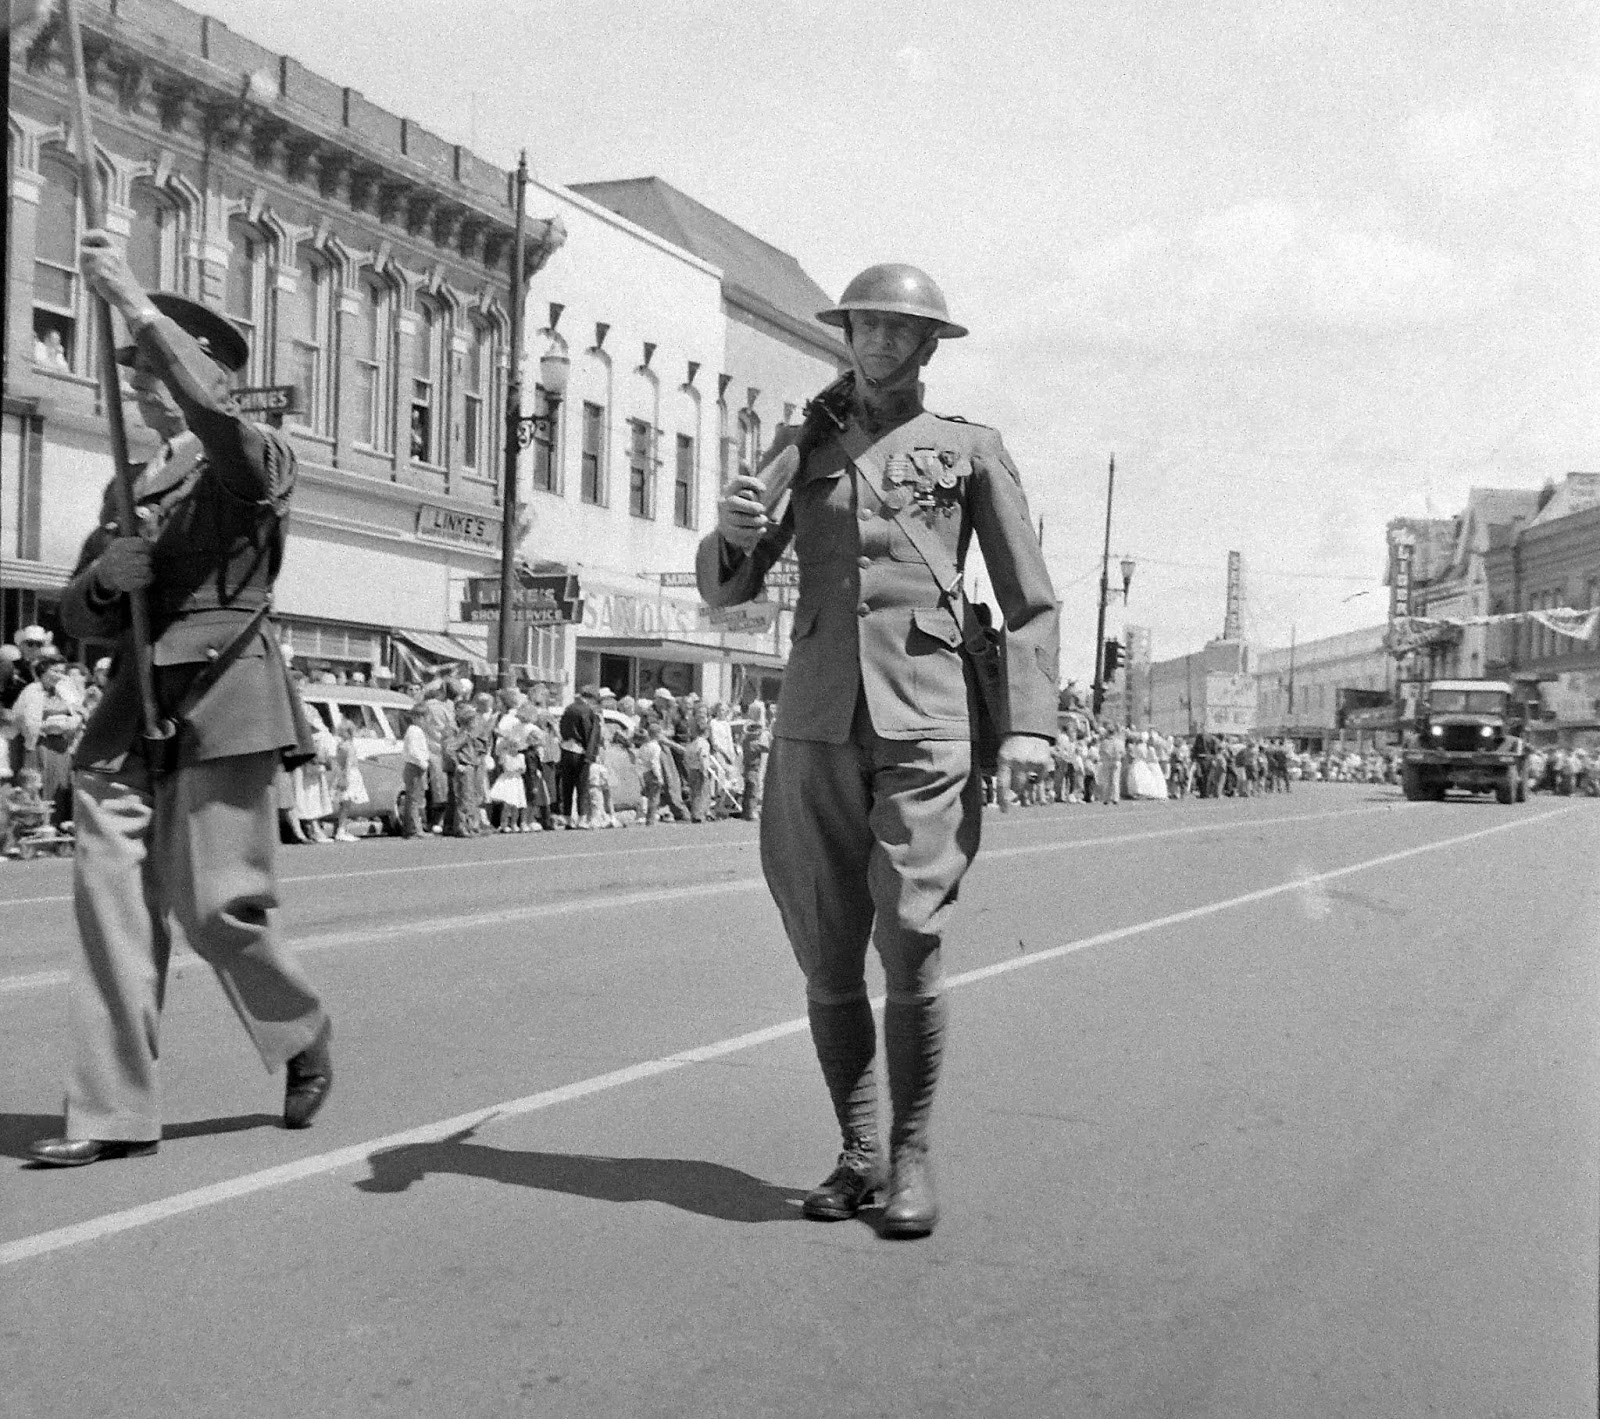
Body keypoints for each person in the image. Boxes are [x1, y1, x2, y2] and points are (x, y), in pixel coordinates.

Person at [697, 263, 1059, 1238]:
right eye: (867, 328)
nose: (881, 345)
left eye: (903, 332)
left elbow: (1029, 596)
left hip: (928, 718)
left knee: (908, 935)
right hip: (814, 718)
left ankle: (909, 1153)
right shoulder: (796, 445)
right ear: (844, 335)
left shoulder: (967, 449)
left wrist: (1026, 721)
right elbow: (730, 587)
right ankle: (856, 1151)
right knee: (825, 945)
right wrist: (731, 533)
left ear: (930, 347)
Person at [28, 234, 332, 1167]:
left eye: (152, 368)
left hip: (226, 693)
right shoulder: (134, 480)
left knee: (216, 908)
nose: (141, 385)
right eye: (131, 370)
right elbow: (81, 614)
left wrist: (133, 302)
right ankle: (112, 1111)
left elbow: (212, 413)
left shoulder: (256, 461)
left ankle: (299, 1031)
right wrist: (111, 581)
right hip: (132, 708)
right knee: (112, 903)